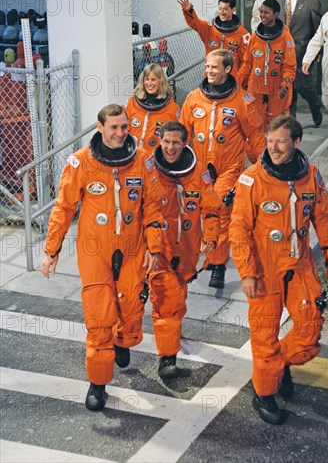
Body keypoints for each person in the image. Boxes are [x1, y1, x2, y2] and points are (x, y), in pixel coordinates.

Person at [40, 104, 164, 412]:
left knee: (132, 307)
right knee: (98, 319)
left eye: (125, 127)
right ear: (100, 127)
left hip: (133, 249)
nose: (121, 133)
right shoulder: (81, 162)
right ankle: (98, 384)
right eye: (114, 127)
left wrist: (154, 247)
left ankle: (124, 339)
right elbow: (63, 208)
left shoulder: (143, 161)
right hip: (95, 252)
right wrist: (51, 250)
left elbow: (153, 209)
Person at [229, 115, 328, 425]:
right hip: (265, 269)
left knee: (310, 329)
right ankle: (263, 393)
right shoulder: (251, 179)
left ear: (296, 142)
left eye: (280, 141)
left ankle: (278, 365)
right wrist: (247, 272)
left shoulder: (311, 176)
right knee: (264, 335)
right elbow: (238, 229)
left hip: (301, 265)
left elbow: (323, 218)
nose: (273, 147)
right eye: (269, 141)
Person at [180, 49, 266, 289]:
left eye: (214, 67)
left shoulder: (242, 100)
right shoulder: (194, 97)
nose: (209, 71)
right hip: (198, 168)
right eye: (207, 66)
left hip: (229, 168)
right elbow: (182, 133)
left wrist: (264, 169)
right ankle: (202, 257)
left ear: (227, 69)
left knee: (219, 211)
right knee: (195, 213)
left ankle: (217, 265)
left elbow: (256, 137)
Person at [150, 120, 221, 378]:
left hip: (189, 250)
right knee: (168, 301)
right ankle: (167, 358)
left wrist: (211, 236)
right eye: (166, 142)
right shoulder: (149, 171)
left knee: (178, 298)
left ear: (185, 143)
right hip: (159, 249)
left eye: (176, 142)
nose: (170, 147)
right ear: (159, 140)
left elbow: (212, 208)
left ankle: (168, 340)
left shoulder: (199, 172)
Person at [274, 0, 323, 125]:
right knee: (288, 88)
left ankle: (315, 105)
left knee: (303, 87)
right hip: (282, 53)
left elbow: (318, 27)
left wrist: (318, 51)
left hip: (302, 52)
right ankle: (291, 122)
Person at [238, 0, 296, 127]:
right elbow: (247, 63)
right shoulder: (255, 37)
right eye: (261, 12)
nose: (262, 15)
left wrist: (285, 84)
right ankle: (258, 146)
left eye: (267, 12)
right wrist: (238, 82)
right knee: (254, 120)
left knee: (276, 122)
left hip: (277, 87)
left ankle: (273, 146)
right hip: (256, 85)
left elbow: (289, 66)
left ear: (275, 14)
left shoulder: (286, 38)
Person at [177, 0, 250, 77]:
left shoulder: (242, 34)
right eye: (220, 9)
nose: (222, 12)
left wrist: (239, 81)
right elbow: (195, 23)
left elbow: (245, 62)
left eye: (225, 9)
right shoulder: (209, 29)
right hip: (211, 76)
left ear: (233, 9)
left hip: (230, 79)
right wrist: (189, 10)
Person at [124, 63, 180, 152]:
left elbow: (177, 137)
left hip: (156, 158)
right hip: (132, 155)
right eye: (147, 79)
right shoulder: (131, 103)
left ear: (160, 81)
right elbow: (123, 128)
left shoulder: (172, 109)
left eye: (153, 80)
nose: (149, 83)